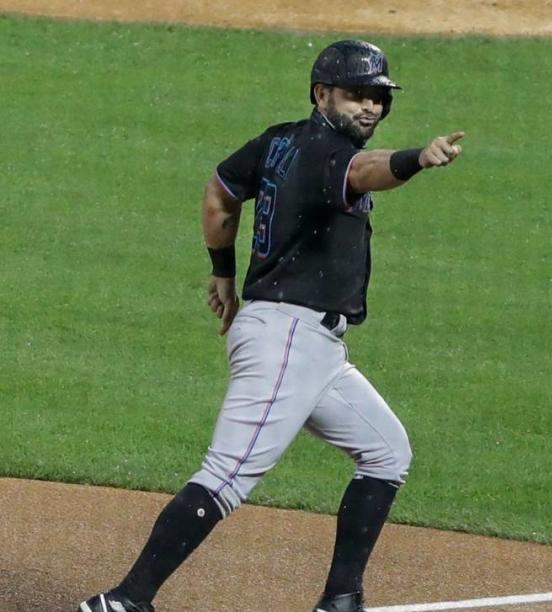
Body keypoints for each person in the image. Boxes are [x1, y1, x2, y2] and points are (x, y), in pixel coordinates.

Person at [78, 39, 465, 612]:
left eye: (378, 97)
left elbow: (219, 195)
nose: (370, 108)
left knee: (386, 452)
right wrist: (415, 159)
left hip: (313, 347)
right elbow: (367, 170)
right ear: (321, 95)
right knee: (227, 475)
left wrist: (223, 274)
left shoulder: (277, 141)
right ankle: (124, 601)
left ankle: (340, 599)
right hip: (288, 338)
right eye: (357, 95)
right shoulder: (327, 152)